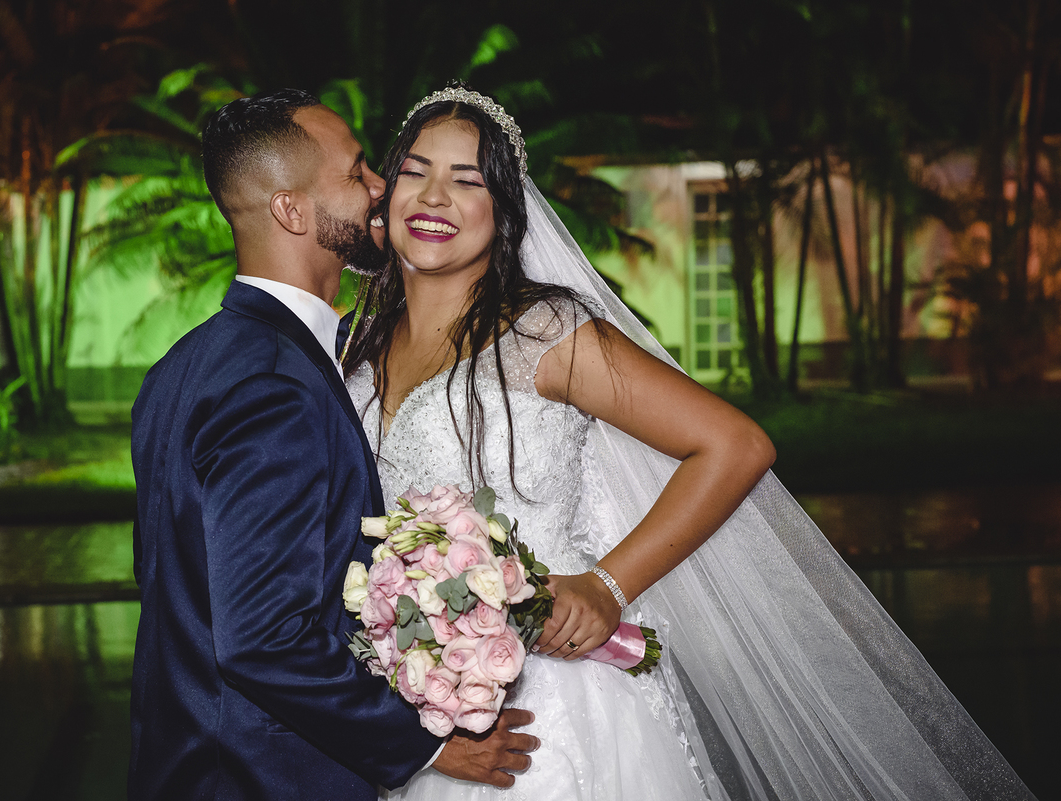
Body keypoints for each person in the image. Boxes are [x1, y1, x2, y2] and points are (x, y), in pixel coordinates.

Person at [343, 85, 1038, 800]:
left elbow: (735, 444)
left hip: (550, 705)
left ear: (506, 211)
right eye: (416, 170)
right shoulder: (353, 349)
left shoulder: (544, 332)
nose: (433, 197)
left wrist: (607, 586)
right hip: (416, 712)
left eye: (467, 181)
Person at [128, 89, 537, 801]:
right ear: (292, 210)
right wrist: (420, 745)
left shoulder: (185, 364)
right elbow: (261, 635)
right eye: (355, 175)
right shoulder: (274, 387)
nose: (382, 185)